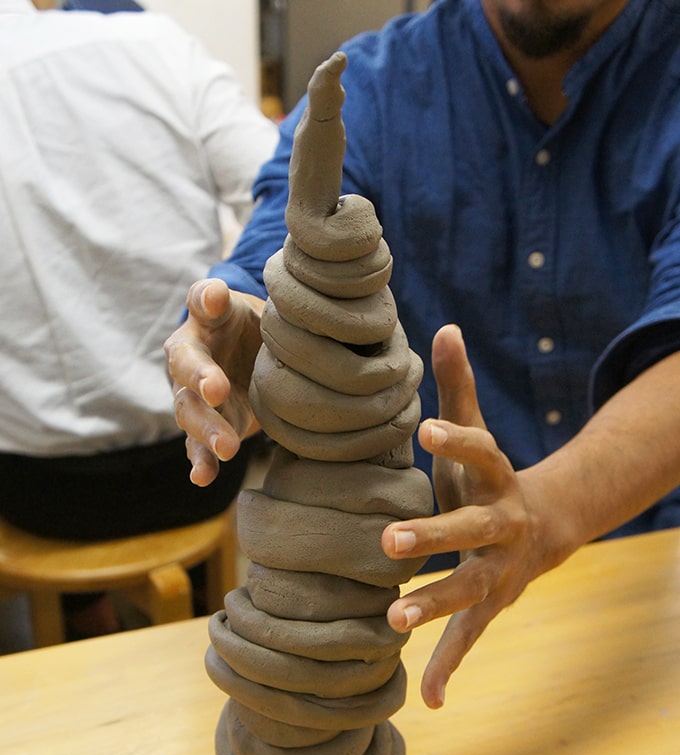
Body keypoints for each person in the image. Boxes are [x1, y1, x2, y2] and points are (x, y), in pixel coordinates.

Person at [164, 0, 680, 705]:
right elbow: (286, 230)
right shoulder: (376, 86)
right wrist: (249, 324)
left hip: (652, 569)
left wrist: (545, 510)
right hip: (427, 592)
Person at [0, 0, 277, 634]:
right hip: (202, 453)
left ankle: (87, 619)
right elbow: (290, 185)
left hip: (37, 486)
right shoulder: (159, 45)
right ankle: (204, 613)